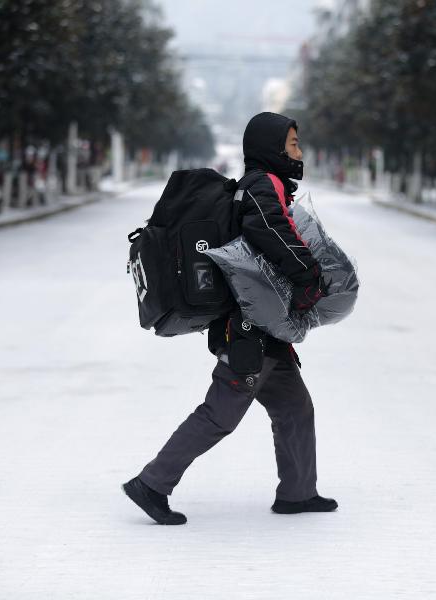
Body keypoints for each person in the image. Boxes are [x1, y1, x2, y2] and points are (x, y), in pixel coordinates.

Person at [122, 112, 337, 525]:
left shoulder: (265, 185)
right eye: (292, 145)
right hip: (249, 330)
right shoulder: (262, 185)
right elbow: (270, 230)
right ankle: (152, 483)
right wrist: (308, 275)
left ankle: (298, 492)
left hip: (264, 325)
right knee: (221, 413)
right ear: (273, 149)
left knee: (294, 408)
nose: (299, 152)